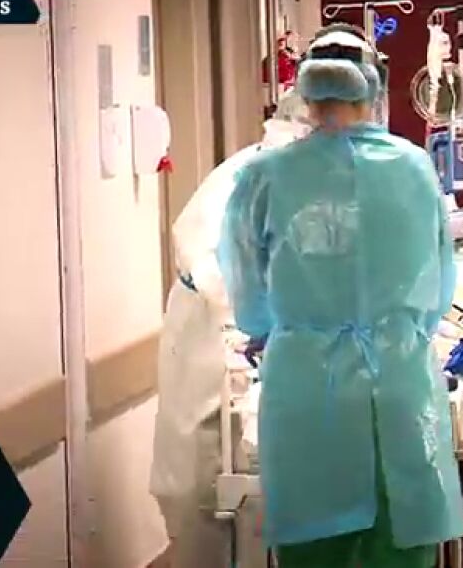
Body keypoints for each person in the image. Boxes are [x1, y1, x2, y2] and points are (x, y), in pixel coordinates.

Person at [218, 25, 463, 568]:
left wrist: (271, 329)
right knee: (399, 537)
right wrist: (402, 328)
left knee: (314, 541)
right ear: (374, 88)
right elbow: (438, 283)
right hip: (398, 379)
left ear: (304, 95)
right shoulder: (413, 167)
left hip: (308, 387)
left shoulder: (266, 175)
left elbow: (246, 288)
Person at [149, 88, 312, 568]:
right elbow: (219, 278)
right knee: (200, 488)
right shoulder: (245, 180)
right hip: (210, 345)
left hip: (254, 350)